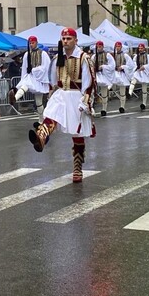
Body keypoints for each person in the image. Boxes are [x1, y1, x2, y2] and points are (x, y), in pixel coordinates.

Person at [28, 28, 96, 183]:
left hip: (76, 96)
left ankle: (77, 166)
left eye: (69, 38)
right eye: (64, 38)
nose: (65, 41)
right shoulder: (57, 58)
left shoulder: (83, 58)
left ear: (76, 41)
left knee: (77, 134)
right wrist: (51, 93)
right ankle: (41, 139)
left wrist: (86, 100)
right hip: (60, 94)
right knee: (50, 116)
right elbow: (52, 77)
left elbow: (89, 81)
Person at [9, 36, 51, 121]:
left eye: (33, 43)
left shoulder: (43, 53)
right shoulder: (27, 54)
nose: (31, 45)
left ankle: (41, 120)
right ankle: (15, 98)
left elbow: (46, 66)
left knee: (39, 102)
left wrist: (35, 70)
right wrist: (24, 77)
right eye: (30, 43)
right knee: (25, 85)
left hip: (39, 78)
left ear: (36, 42)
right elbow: (24, 67)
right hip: (30, 76)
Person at [128, 43, 149, 111]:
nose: (140, 49)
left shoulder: (148, 56)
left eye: (141, 48)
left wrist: (144, 67)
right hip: (138, 71)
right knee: (133, 80)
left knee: (144, 89)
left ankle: (144, 103)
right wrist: (136, 67)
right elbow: (133, 63)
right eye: (139, 48)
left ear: (144, 48)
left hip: (144, 73)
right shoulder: (136, 56)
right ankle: (129, 93)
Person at [91, 40, 115, 116]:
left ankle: (104, 109)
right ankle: (91, 108)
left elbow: (112, 65)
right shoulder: (94, 56)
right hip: (96, 75)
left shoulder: (107, 55)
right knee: (92, 91)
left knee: (104, 92)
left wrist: (103, 67)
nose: (99, 48)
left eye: (100, 46)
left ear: (103, 46)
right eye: (97, 47)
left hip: (103, 75)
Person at [110, 41, 135, 113]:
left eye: (118, 46)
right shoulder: (113, 55)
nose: (117, 48)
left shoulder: (125, 55)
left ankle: (122, 106)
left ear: (121, 47)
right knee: (109, 84)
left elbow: (131, 65)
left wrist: (123, 67)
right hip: (115, 73)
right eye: (116, 46)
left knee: (122, 91)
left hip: (122, 74)